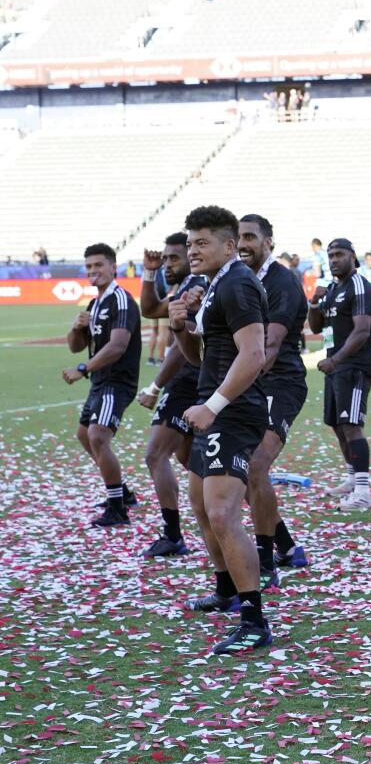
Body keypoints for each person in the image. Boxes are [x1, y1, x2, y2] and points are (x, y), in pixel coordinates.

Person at [169, 205, 272, 654]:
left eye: (202, 242)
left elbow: (254, 355)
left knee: (223, 514)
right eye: (190, 243)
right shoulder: (215, 285)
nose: (193, 250)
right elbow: (200, 358)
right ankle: (228, 589)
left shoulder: (238, 283)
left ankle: (254, 620)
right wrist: (181, 329)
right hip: (217, 406)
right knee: (200, 503)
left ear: (229, 246)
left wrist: (212, 405)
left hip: (233, 412)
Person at [238, 214, 311, 584]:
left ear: (269, 241)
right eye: (238, 237)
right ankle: (284, 544)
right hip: (245, 382)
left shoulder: (282, 280)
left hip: (279, 381)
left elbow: (269, 347)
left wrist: (224, 392)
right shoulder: (235, 278)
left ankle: (265, 562)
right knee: (222, 466)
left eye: (250, 237)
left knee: (254, 466)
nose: (243, 244)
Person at [64, 243, 142, 527]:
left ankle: (117, 508)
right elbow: (76, 347)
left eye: (98, 265)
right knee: (85, 435)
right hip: (100, 381)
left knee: (98, 436)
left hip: (117, 381)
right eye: (89, 267)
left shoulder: (121, 300)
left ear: (113, 267)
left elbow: (118, 346)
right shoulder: (94, 304)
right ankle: (124, 493)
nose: (93, 271)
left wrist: (83, 368)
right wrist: (76, 327)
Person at [138, 233, 206, 556]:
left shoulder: (195, 288)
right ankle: (273, 531)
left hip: (187, 381)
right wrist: (149, 274)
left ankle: (174, 535)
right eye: (164, 259)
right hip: (190, 380)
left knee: (156, 454)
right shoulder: (182, 287)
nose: (167, 264)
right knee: (192, 459)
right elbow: (150, 308)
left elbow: (182, 348)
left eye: (173, 259)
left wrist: (154, 387)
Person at [307, 237, 371, 511]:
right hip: (335, 365)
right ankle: (351, 479)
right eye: (330, 255)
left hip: (354, 365)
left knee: (351, 425)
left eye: (339, 254)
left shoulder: (358, 286)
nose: (334, 259)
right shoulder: (333, 288)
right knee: (336, 424)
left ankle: (363, 491)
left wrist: (336, 360)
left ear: (352, 256)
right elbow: (317, 327)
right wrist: (315, 303)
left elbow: (361, 331)